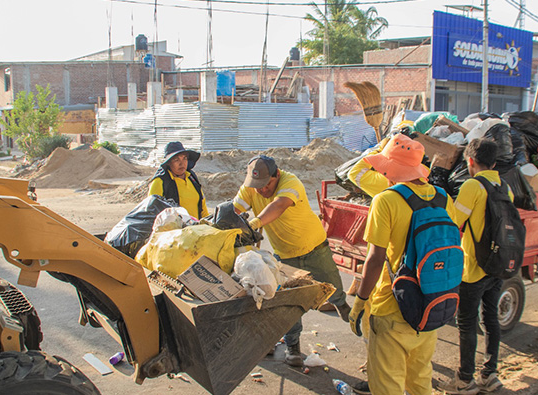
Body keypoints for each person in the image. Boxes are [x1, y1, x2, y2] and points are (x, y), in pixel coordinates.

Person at [349, 134, 455, 395]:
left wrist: (361, 301)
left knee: (387, 385)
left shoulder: (385, 200)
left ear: (389, 168)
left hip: (392, 305)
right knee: (420, 380)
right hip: (431, 302)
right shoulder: (443, 198)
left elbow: (374, 260)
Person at [233, 155, 350, 367]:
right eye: (256, 186)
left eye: (266, 185)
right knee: (289, 306)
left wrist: (255, 223)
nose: (261, 190)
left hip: (315, 248)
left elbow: (278, 206)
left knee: (333, 287)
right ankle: (293, 346)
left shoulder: (291, 182)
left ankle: (342, 306)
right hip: (285, 255)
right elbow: (236, 209)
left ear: (276, 175)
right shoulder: (252, 185)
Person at [440, 138, 512, 395]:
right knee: (490, 319)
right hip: (497, 265)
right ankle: (489, 375)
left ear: (470, 161)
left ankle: (465, 380)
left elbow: (454, 221)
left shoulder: (473, 185)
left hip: (473, 267)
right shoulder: (505, 185)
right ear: (494, 162)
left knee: (467, 323)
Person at [149, 141, 209, 219]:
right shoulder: (160, 182)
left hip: (195, 229)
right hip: (173, 230)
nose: (182, 163)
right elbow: (151, 211)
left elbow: (202, 206)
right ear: (168, 163)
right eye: (176, 160)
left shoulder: (191, 177)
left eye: (184, 158)